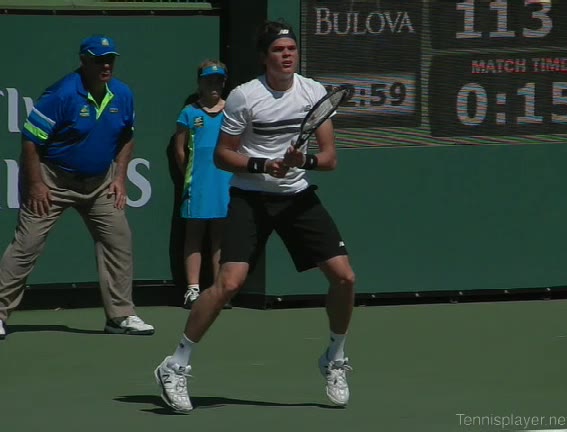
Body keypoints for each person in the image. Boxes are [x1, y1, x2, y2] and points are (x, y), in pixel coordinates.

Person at [154, 20, 355, 412]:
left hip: (296, 197)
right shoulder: (245, 97)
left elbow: (330, 159)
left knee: (344, 277)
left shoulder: (313, 92)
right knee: (229, 282)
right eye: (278, 50)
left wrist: (302, 161)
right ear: (264, 57)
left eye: (291, 49)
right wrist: (263, 165)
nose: (286, 55)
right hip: (250, 197)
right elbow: (222, 155)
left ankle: (335, 357)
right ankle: (175, 365)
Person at [0, 35, 154, 340]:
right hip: (51, 180)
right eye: (99, 60)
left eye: (110, 59)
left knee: (118, 241)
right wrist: (36, 185)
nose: (106, 65)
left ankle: (120, 316)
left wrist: (119, 178)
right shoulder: (61, 94)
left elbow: (127, 136)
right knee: (27, 245)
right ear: (84, 61)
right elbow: (30, 142)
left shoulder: (122, 94)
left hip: (99, 183)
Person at [173, 60, 232, 309]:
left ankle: (219, 289)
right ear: (200, 82)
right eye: (209, 79)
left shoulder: (232, 111)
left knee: (220, 236)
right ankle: (193, 290)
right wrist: (190, 175)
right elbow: (179, 150)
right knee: (194, 234)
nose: (214, 84)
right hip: (197, 182)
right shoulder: (189, 113)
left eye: (219, 80)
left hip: (225, 180)